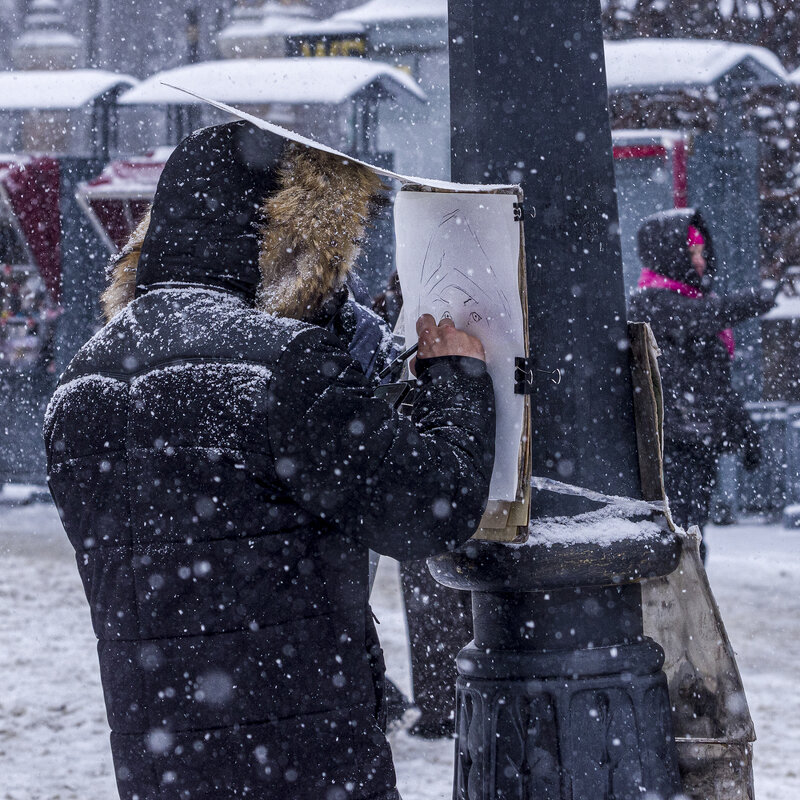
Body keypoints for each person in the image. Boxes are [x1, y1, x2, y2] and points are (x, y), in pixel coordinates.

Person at [43, 121, 496, 800]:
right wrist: (456, 380)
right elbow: (431, 510)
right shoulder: (279, 365)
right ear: (282, 238)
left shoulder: (81, 384)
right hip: (302, 755)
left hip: (161, 761)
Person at [628, 208, 776, 558]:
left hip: (699, 438)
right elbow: (700, 320)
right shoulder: (652, 301)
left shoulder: (691, 300)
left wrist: (745, 430)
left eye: (701, 252)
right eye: (690, 252)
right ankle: (674, 605)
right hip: (670, 442)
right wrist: (762, 297)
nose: (700, 261)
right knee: (675, 534)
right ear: (668, 254)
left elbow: (715, 383)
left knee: (693, 534)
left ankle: (688, 602)